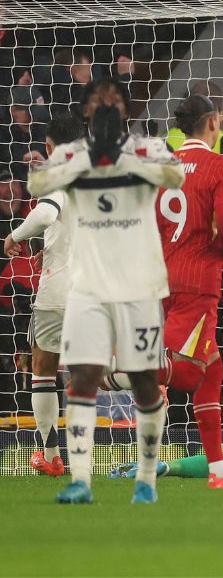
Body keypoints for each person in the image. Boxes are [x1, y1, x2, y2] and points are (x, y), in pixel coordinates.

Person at [27, 77, 185, 505]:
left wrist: (123, 158)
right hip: (88, 287)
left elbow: (175, 176)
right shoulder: (73, 156)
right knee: (81, 377)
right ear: (87, 111)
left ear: (126, 109)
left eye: (115, 100)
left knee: (145, 381)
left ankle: (146, 480)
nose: (108, 106)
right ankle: (80, 480)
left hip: (138, 285)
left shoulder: (148, 149)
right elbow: (38, 187)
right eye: (100, 100)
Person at [151, 95, 223, 488]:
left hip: (164, 275)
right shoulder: (222, 167)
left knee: (212, 368)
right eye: (221, 120)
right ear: (212, 123)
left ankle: (219, 469)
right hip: (199, 280)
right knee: (189, 372)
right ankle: (111, 373)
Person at [2, 115, 84, 478]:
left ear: (49, 148)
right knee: (98, 368)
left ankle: (51, 455)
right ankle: (155, 378)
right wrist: (51, 249)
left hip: (59, 293)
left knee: (43, 368)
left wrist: (15, 236)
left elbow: (46, 213)